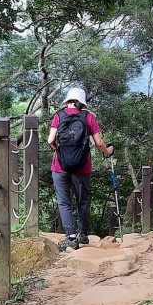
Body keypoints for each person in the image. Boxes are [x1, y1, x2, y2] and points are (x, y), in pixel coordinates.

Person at [47, 87, 114, 251]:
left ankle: (71, 237)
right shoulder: (88, 117)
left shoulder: (59, 115)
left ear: (67, 100)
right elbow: (99, 143)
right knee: (83, 201)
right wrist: (108, 151)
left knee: (64, 202)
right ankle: (83, 234)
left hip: (59, 166)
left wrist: (59, 150)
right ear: (82, 102)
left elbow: (50, 140)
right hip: (82, 167)